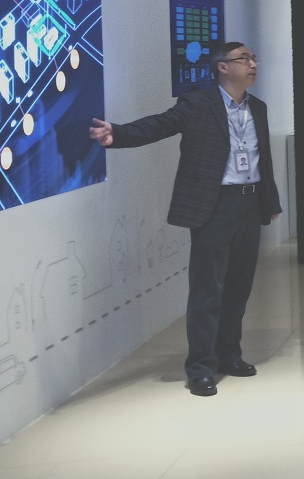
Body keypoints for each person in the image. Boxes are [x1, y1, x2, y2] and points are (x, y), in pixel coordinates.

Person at [89, 42, 282, 397]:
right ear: (223, 67)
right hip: (214, 205)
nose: (253, 63)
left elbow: (263, 159)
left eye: (254, 58)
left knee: (239, 286)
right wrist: (119, 133)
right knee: (208, 289)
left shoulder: (258, 107)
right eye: (244, 58)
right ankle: (201, 367)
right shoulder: (197, 104)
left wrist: (270, 200)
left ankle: (229, 354)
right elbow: (159, 125)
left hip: (248, 202)